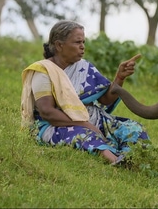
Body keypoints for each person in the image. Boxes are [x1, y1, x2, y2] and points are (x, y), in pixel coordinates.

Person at [20, 20, 149, 165]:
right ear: (59, 45)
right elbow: (48, 113)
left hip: (92, 119)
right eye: (77, 42)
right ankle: (116, 161)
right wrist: (85, 124)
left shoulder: (84, 67)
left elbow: (106, 99)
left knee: (133, 128)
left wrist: (119, 77)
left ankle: (131, 157)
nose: (82, 47)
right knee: (83, 135)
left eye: (83, 42)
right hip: (56, 125)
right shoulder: (43, 72)